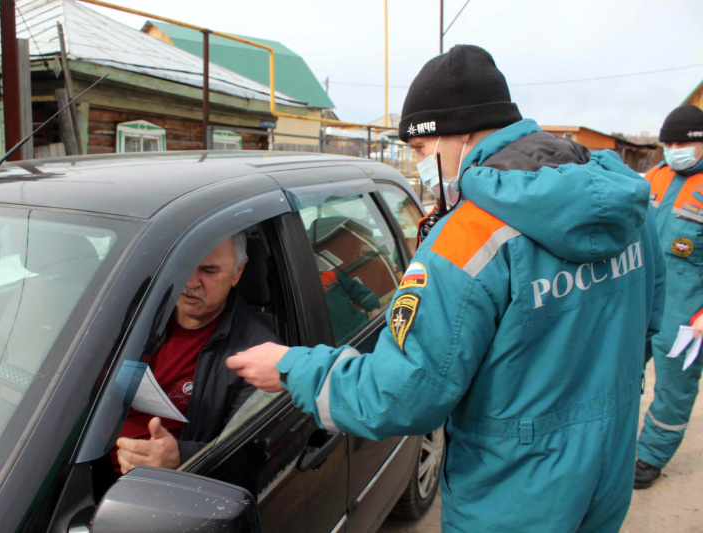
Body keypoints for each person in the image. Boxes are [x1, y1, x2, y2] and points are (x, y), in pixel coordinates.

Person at [226, 44, 665, 532]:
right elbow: (648, 324)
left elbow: (404, 394)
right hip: (608, 467)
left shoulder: (466, 240)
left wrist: (293, 368)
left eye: (418, 150)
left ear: (456, 135)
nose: (419, 165)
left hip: (514, 493)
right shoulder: (626, 206)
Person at [113, 232, 279, 473]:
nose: (190, 283)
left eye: (209, 271)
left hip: (156, 486)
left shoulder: (258, 354)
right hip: (79, 465)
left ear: (237, 273)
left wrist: (179, 457)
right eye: (184, 266)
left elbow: (244, 452)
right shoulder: (136, 314)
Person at [634, 104, 703, 489]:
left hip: (687, 312)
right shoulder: (653, 178)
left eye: (682, 143)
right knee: (621, 372)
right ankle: (614, 441)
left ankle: (650, 457)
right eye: (669, 142)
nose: (674, 149)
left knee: (674, 387)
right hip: (642, 299)